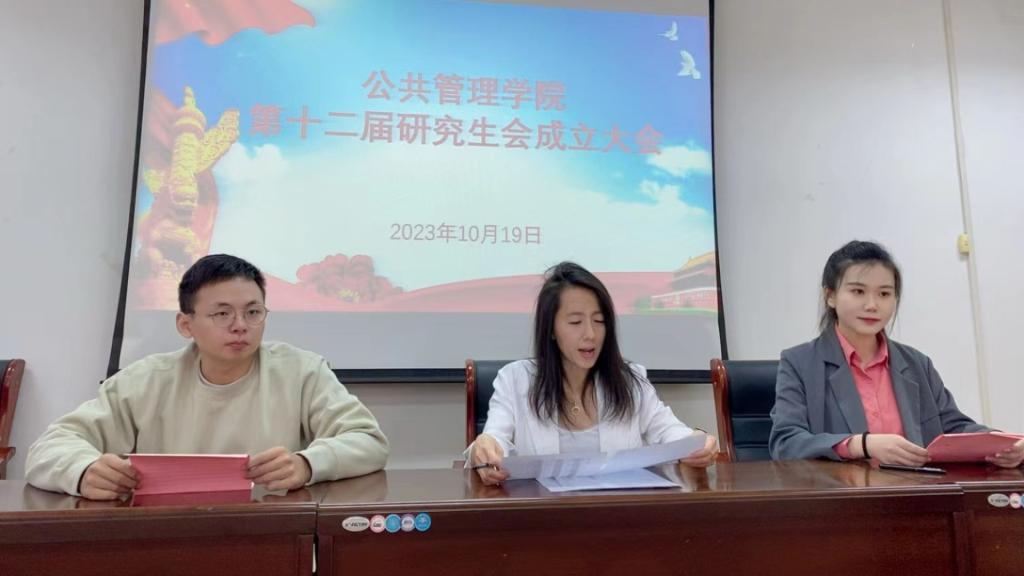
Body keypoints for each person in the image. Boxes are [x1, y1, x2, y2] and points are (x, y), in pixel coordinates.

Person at [26, 254, 389, 499]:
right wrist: (83, 470)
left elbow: (368, 440)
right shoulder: (145, 381)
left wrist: (307, 464)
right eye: (222, 314)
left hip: (273, 532)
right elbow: (47, 448)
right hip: (168, 536)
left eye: (253, 312)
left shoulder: (301, 371)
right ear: (186, 324)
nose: (240, 326)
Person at [769, 240, 1024, 467]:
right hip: (841, 498)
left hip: (915, 493)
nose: (872, 305)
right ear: (831, 296)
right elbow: (785, 443)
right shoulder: (799, 363)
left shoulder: (917, 364)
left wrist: (1003, 444)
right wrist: (862, 444)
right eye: (858, 291)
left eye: (884, 294)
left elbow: (953, 427)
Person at [469, 262, 718, 485]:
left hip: (616, 513)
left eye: (599, 321)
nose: (590, 334)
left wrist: (698, 441)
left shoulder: (630, 380)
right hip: (544, 515)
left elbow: (669, 432)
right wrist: (485, 448)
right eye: (575, 322)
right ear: (551, 329)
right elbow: (495, 439)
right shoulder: (515, 379)